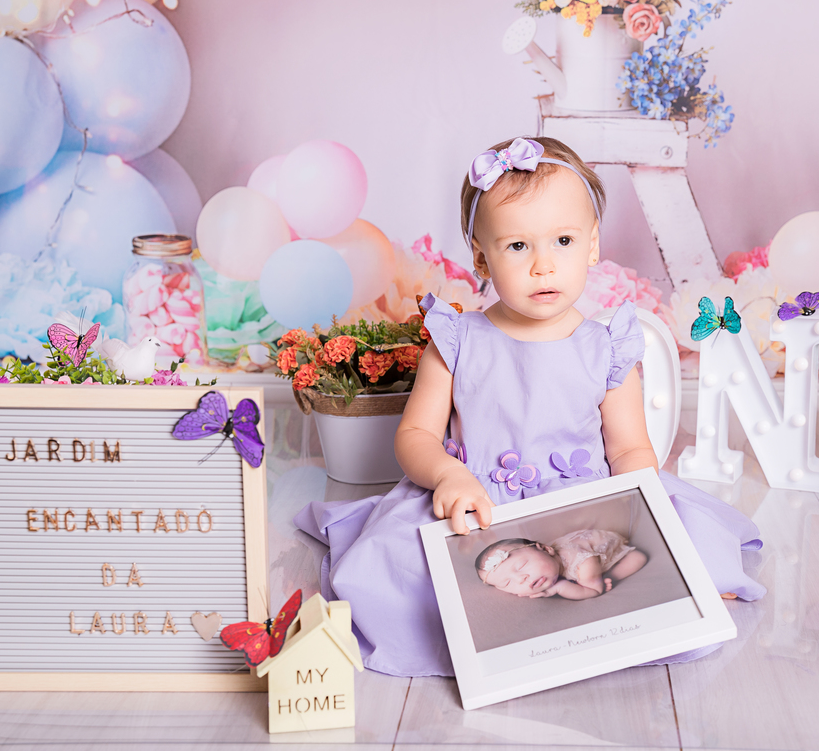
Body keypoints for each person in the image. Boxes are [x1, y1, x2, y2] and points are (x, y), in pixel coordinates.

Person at [295, 136, 764, 677]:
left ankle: (656, 597)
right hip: (478, 502)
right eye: (518, 246)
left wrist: (630, 508)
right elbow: (415, 436)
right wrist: (448, 476)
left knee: (680, 547)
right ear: (482, 256)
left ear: (591, 246)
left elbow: (631, 449)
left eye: (563, 241)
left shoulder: (607, 348)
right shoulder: (456, 340)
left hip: (583, 502)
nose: (544, 265)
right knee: (391, 569)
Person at [477, 530, 648, 599]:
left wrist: (559, 587)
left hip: (604, 547)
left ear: (546, 549)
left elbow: (593, 591)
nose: (521, 579)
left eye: (521, 566)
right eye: (507, 583)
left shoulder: (583, 563)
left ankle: (607, 576)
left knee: (638, 558)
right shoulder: (546, 561)